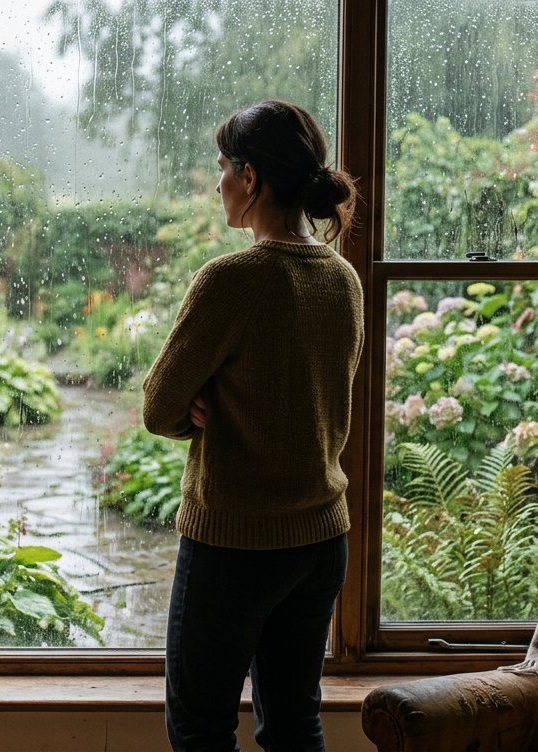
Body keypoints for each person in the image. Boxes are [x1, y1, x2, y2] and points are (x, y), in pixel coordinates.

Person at [142, 99, 364, 752]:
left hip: (235, 545)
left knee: (200, 728)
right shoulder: (343, 278)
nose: (215, 182)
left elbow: (159, 406)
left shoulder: (232, 280)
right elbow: (302, 393)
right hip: (321, 541)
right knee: (295, 725)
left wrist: (197, 401)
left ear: (249, 178)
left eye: (220, 167)